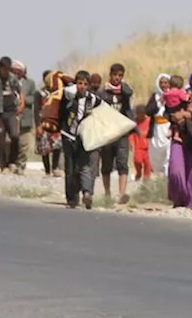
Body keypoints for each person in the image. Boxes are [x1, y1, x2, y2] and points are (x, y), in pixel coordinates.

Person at [57, 70, 102, 210]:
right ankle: (71, 198)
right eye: (79, 83)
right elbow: (66, 93)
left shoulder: (92, 99)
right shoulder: (69, 95)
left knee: (84, 166)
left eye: (85, 84)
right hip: (68, 136)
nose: (82, 86)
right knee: (70, 168)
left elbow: (102, 110)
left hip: (83, 138)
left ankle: (87, 193)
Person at [168, 71, 192, 210]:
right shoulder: (181, 93)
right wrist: (173, 116)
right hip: (180, 136)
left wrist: (189, 114)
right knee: (175, 170)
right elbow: (167, 109)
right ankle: (179, 199)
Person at [98, 63, 134, 204]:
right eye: (115, 75)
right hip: (107, 132)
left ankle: (122, 194)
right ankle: (107, 193)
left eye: (120, 76)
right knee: (106, 164)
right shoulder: (103, 92)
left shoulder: (125, 91)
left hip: (122, 132)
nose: (117, 78)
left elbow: (129, 93)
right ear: (110, 75)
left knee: (122, 162)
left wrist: (122, 88)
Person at [0, 56, 25, 173]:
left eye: (9, 69)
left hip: (11, 112)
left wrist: (22, 103)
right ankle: (3, 164)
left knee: (15, 136)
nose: (7, 72)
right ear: (0, 68)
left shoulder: (12, 78)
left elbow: (20, 91)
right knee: (1, 138)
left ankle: (13, 161)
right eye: (5, 69)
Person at [35, 70, 64, 177]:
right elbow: (36, 110)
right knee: (44, 148)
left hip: (55, 123)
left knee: (57, 145)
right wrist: (38, 125)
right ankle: (47, 170)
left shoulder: (58, 92)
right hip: (43, 123)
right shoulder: (39, 93)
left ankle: (55, 167)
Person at [145, 74, 173, 177]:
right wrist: (159, 102)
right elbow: (148, 111)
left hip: (169, 129)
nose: (163, 85)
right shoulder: (155, 96)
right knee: (156, 157)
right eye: (161, 83)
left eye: (166, 82)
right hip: (157, 130)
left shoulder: (174, 95)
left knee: (169, 156)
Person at [131, 109, 153, 182]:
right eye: (139, 114)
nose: (141, 116)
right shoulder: (134, 122)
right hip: (138, 147)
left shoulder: (150, 120)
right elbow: (131, 134)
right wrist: (131, 142)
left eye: (142, 114)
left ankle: (146, 181)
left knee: (148, 164)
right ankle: (139, 173)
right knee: (137, 161)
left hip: (148, 147)